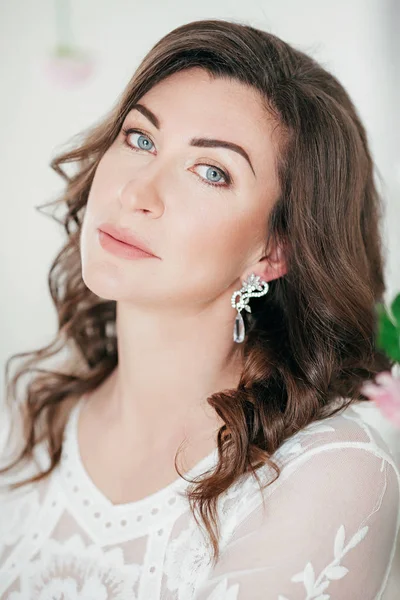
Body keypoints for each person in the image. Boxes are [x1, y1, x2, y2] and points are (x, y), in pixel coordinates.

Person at [0, 18, 399, 600]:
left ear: (275, 250)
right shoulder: (30, 414)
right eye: (140, 139)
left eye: (212, 172)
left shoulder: (330, 469)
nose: (136, 194)